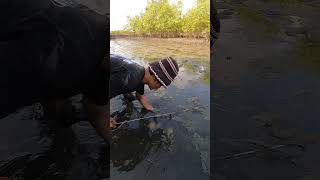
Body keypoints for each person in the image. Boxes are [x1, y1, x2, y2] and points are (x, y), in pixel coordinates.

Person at [0, 0, 110, 143]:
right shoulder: (57, 24)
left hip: (50, 81)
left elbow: (98, 112)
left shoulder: (104, 74)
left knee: (63, 115)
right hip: (17, 71)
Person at [109, 54, 179, 128]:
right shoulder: (131, 78)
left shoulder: (140, 74)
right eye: (161, 84)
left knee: (129, 96)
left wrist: (155, 111)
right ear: (156, 78)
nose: (159, 88)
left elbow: (140, 96)